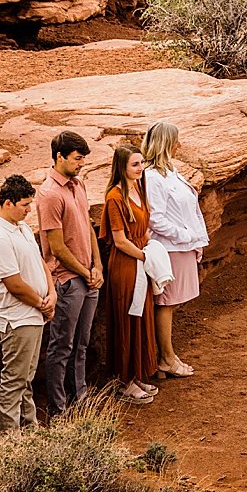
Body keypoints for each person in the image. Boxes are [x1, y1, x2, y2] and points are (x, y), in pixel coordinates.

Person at [0, 173, 55, 430]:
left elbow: (41, 262)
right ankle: (12, 438)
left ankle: (30, 428)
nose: (29, 210)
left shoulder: (20, 228)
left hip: (34, 314)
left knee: (27, 377)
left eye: (29, 204)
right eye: (24, 205)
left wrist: (52, 293)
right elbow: (14, 284)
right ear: (7, 203)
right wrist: (41, 303)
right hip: (17, 317)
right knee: (14, 379)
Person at [36, 129, 103, 417]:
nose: (81, 164)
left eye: (83, 159)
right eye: (77, 159)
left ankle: (81, 397)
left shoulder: (79, 185)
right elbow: (57, 247)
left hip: (88, 276)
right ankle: (58, 409)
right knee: (61, 345)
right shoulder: (49, 194)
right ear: (59, 157)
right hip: (67, 280)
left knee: (82, 343)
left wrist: (98, 265)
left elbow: (88, 226)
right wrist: (85, 272)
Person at [142, 120, 208, 378]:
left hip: (182, 246)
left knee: (173, 301)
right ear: (166, 143)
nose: (180, 145)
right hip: (170, 248)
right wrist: (185, 236)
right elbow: (155, 218)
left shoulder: (170, 171)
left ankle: (166, 354)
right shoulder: (152, 177)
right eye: (176, 140)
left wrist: (194, 239)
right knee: (166, 303)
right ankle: (166, 358)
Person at [101, 144, 160, 405]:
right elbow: (120, 240)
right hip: (126, 265)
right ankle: (124, 382)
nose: (140, 168)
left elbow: (144, 227)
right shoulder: (115, 197)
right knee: (127, 317)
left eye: (142, 163)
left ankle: (137, 374)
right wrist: (145, 256)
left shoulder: (139, 188)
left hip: (140, 260)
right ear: (122, 167)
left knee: (142, 316)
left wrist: (149, 247)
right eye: (135, 164)